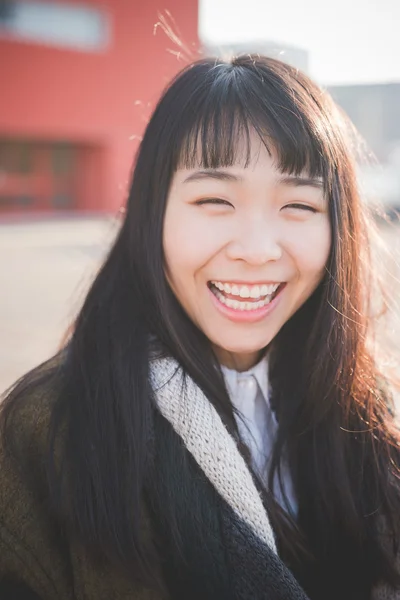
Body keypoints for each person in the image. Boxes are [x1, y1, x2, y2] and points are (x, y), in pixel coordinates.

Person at [0, 54, 399, 600]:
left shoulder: (369, 408)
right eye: (215, 200)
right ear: (152, 213)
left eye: (299, 205)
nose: (257, 251)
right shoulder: (48, 428)